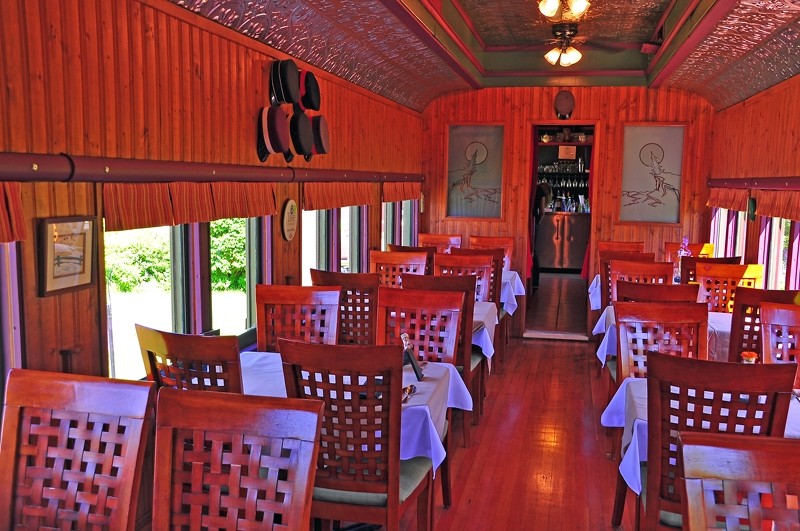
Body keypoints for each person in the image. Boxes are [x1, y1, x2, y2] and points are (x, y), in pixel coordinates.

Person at [530, 182, 553, 294]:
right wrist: (538, 221)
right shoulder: (541, 191)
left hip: (528, 220)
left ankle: (532, 280)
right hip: (533, 222)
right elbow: (542, 211)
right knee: (533, 251)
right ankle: (535, 281)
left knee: (531, 250)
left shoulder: (534, 188)